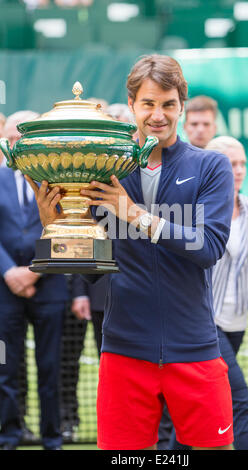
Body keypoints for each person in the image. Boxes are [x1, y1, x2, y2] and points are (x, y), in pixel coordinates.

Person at [27, 54, 235, 451]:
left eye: (168, 104)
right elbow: (90, 272)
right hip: (124, 350)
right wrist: (56, 225)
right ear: (133, 106)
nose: (158, 115)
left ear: (181, 106)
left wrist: (136, 215)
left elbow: (207, 247)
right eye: (148, 103)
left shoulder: (211, 167)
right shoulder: (106, 170)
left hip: (193, 346)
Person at [169, 136, 248, 451]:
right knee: (238, 401)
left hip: (236, 324)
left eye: (243, 163)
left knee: (196, 410)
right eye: (232, 164)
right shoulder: (190, 210)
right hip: (203, 321)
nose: (240, 170)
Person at [0, 111, 69, 450]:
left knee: (50, 368)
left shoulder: (61, 180)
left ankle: (52, 438)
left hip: (50, 287)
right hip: (4, 290)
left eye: (22, 140)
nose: (16, 145)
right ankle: (10, 435)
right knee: (5, 367)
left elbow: (66, 231)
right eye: (11, 139)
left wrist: (34, 271)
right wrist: (9, 271)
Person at [60, 274, 108, 442]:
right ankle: (67, 422)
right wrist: (79, 292)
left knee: (117, 370)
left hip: (121, 295)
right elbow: (84, 249)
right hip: (88, 294)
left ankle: (119, 425)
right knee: (66, 364)